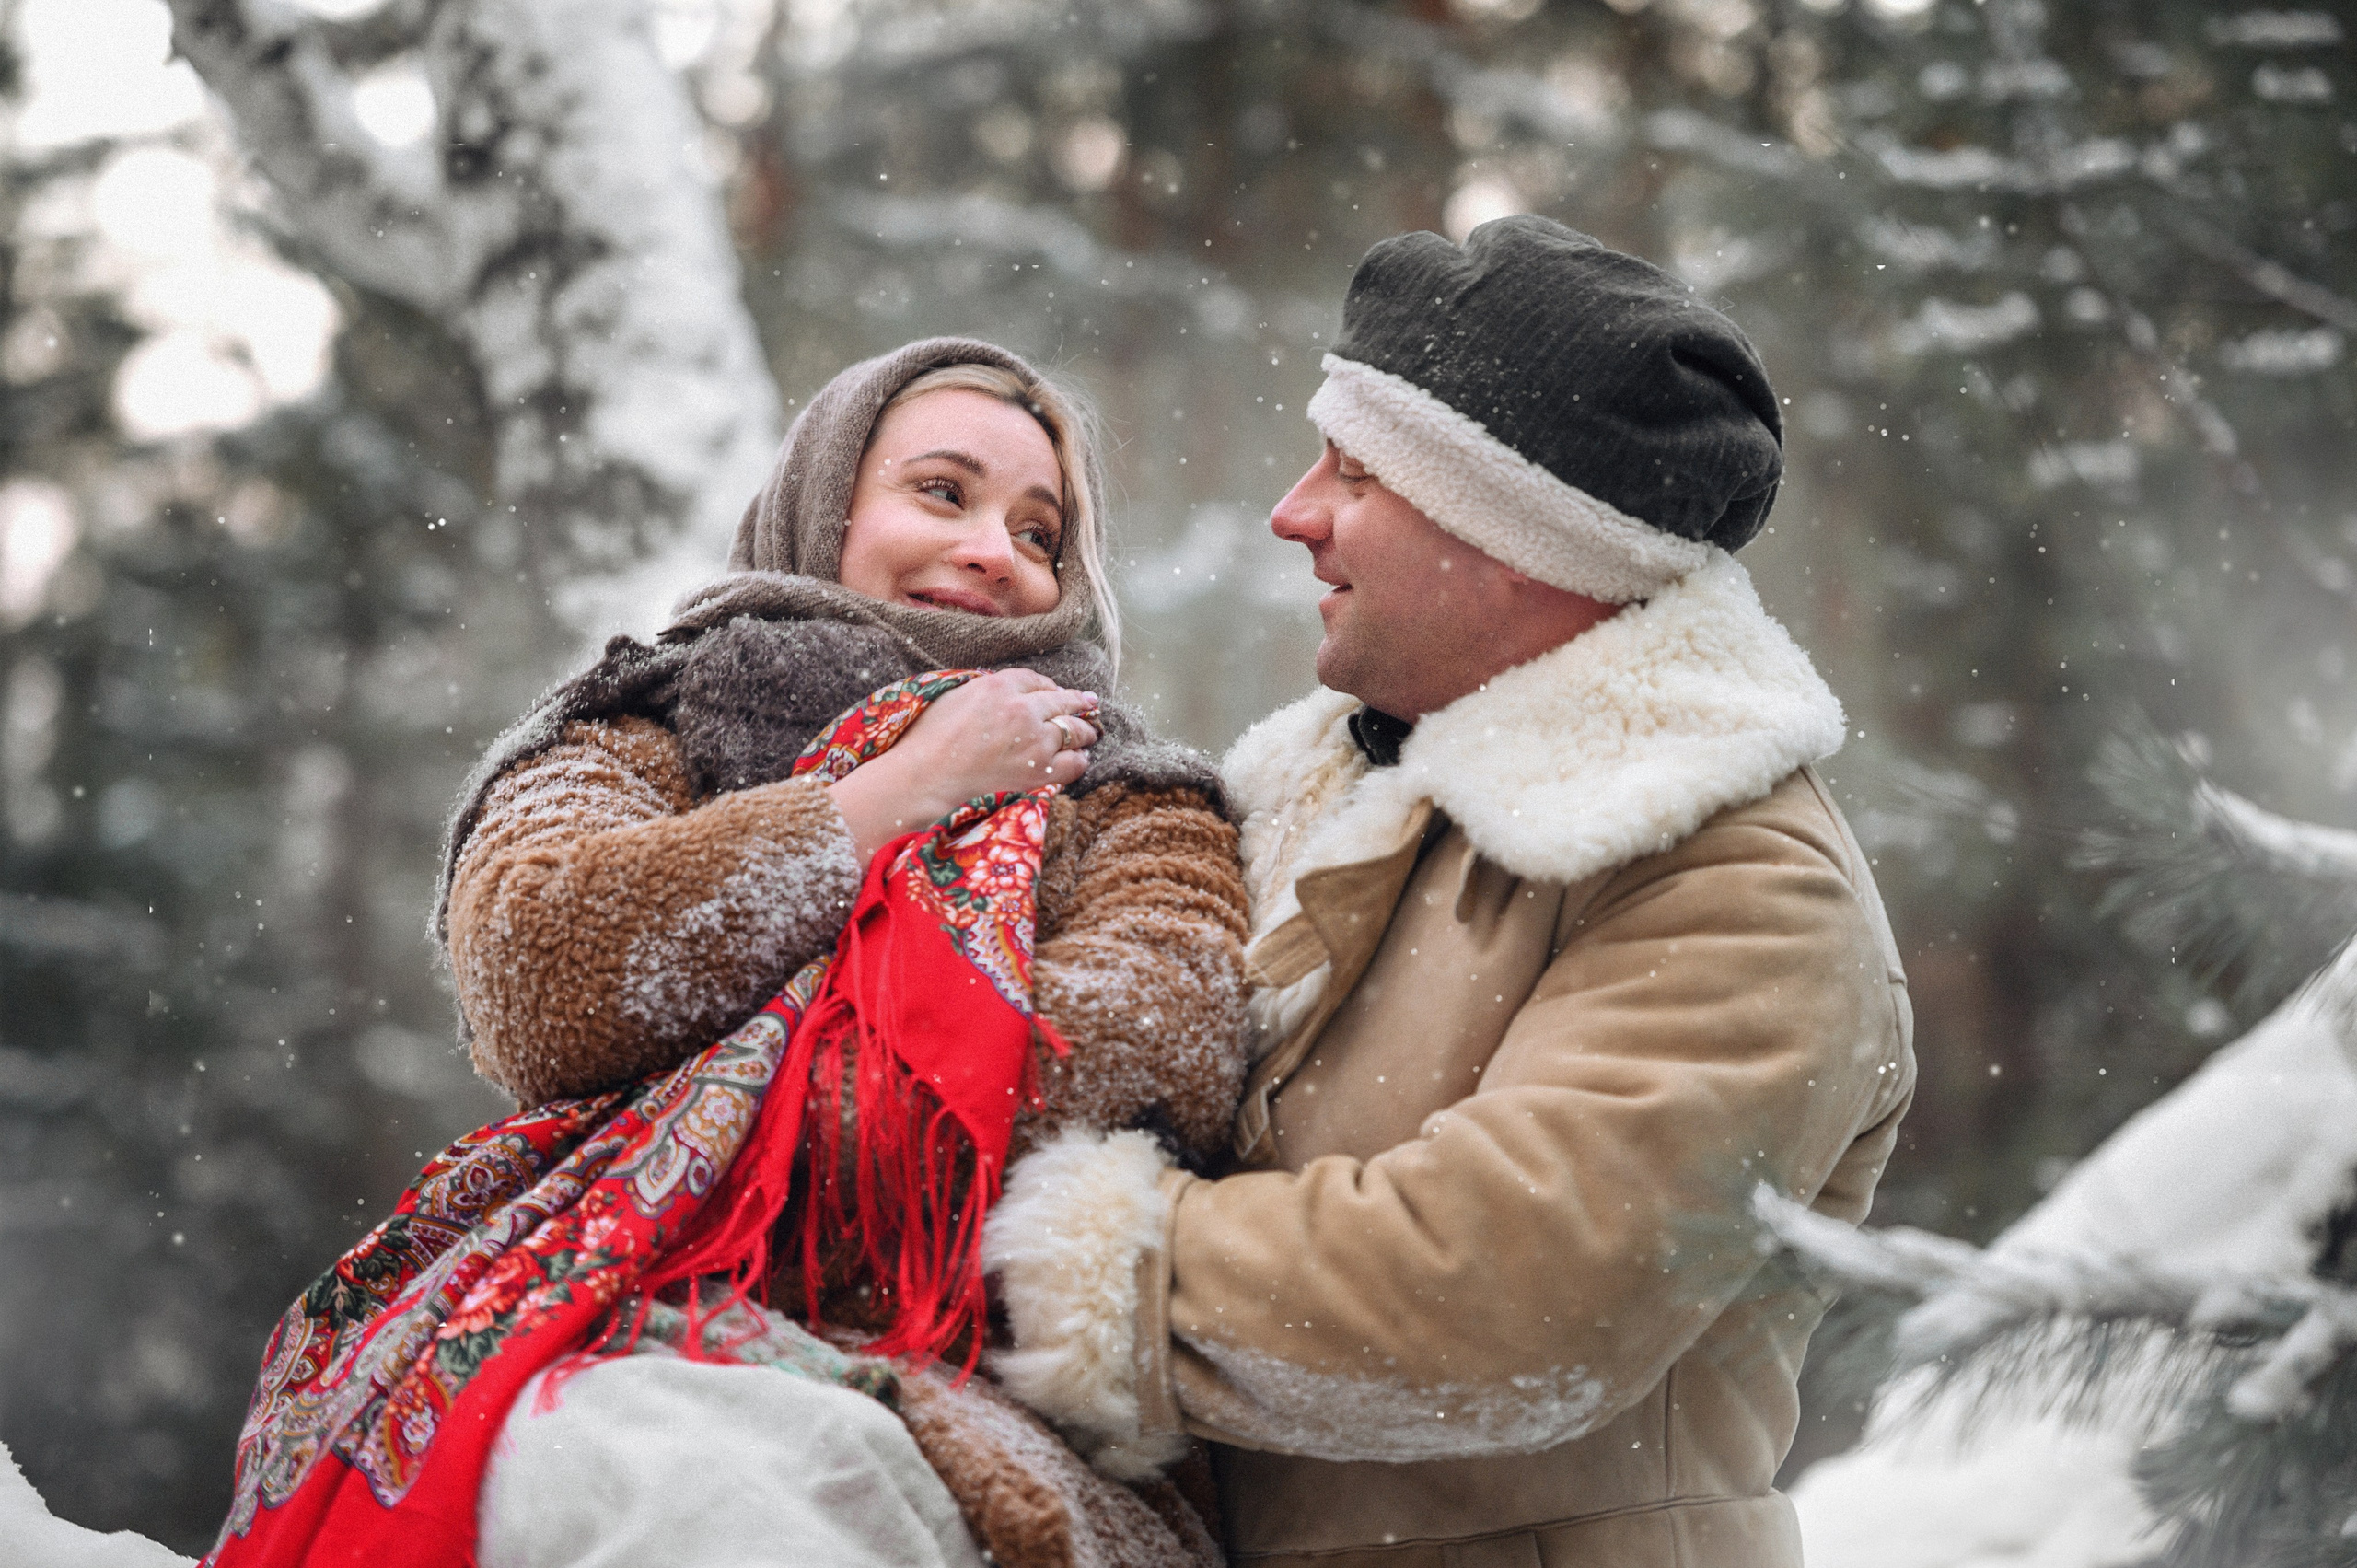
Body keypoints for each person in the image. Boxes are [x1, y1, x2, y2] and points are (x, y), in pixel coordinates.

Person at [980, 217, 1918, 1567]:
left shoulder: (1743, 879)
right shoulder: (1331, 789)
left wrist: (1047, 1273)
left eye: (1355, 473)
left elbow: (1507, 1295)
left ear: (1519, 536)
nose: (1291, 513)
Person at [218, 339, 1248, 1568]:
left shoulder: (1139, 802)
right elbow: (539, 969)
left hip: (974, 1396)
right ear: (823, 502)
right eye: (943, 493)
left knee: (723, 1502)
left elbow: (1155, 1043)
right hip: (601, 1329)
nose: (993, 552)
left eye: (1042, 534)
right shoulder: (643, 723)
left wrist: (704, 1078)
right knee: (584, 1473)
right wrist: (891, 799)